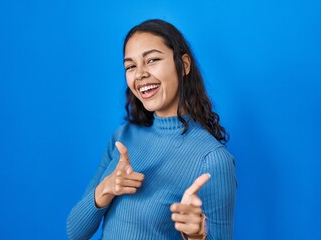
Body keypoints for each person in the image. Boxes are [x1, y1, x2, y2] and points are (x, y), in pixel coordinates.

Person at [67, 19, 237, 240]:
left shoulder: (212, 159)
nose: (140, 74)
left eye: (152, 60)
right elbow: (74, 232)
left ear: (184, 65)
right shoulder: (123, 136)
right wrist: (107, 188)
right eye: (131, 66)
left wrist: (196, 235)